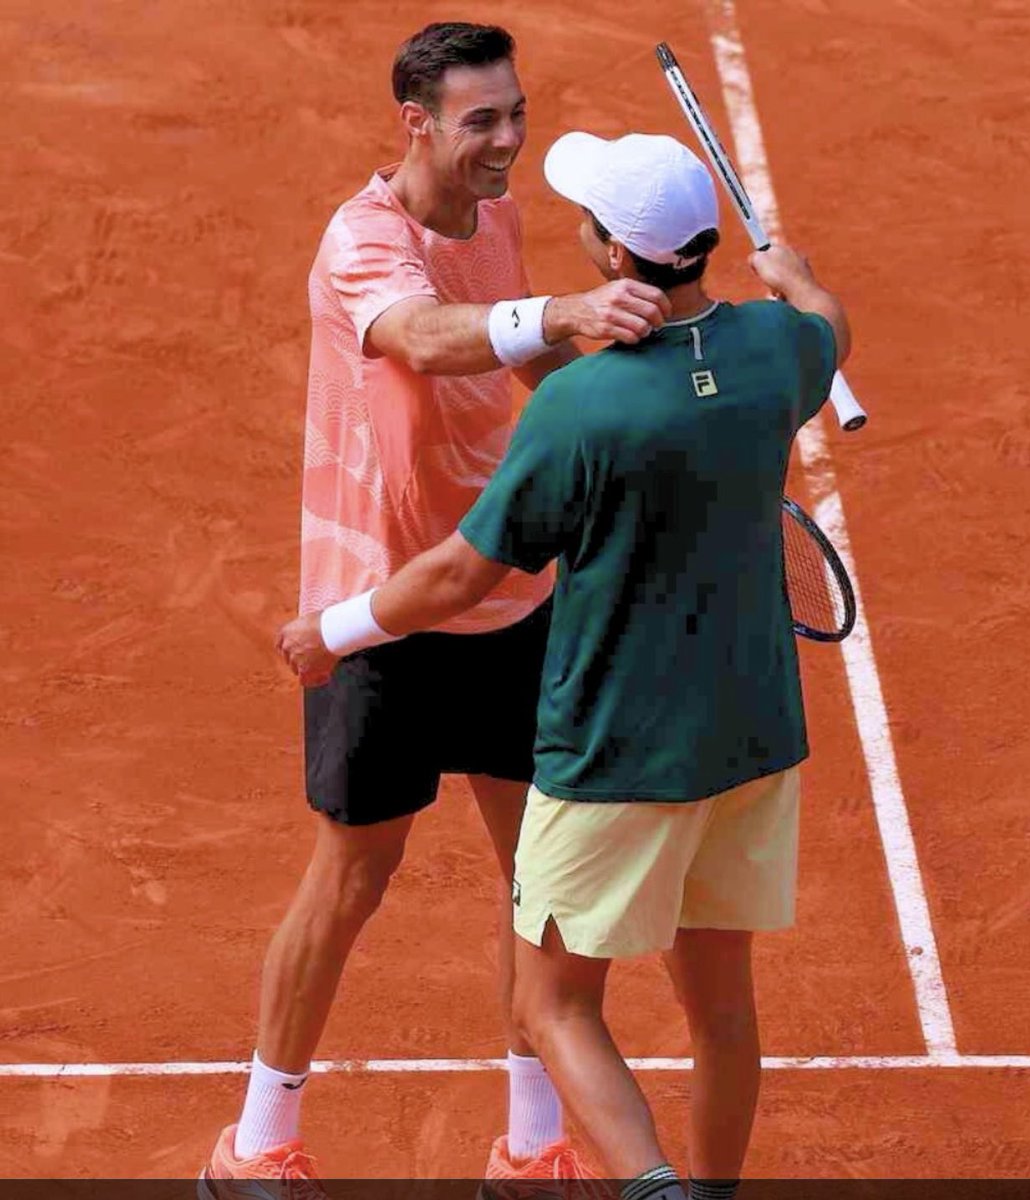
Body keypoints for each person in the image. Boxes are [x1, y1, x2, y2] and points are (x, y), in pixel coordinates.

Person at [279, 128, 850, 1195]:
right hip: (754, 740)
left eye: (586, 221)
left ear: (611, 254)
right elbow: (829, 325)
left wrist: (336, 630)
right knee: (721, 1008)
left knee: (551, 1005)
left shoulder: (580, 405)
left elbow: (458, 576)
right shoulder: (781, 349)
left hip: (617, 750)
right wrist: (799, 281)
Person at [200, 24, 672, 1195]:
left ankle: (530, 1149)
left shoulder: (494, 213)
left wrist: (629, 414)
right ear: (414, 122)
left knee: (535, 882)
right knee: (352, 878)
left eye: (515, 112)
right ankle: (256, 1146)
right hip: (384, 606)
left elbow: (521, 361)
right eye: (481, 121)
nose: (507, 139)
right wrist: (563, 313)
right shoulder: (362, 242)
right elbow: (421, 335)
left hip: (510, 590)